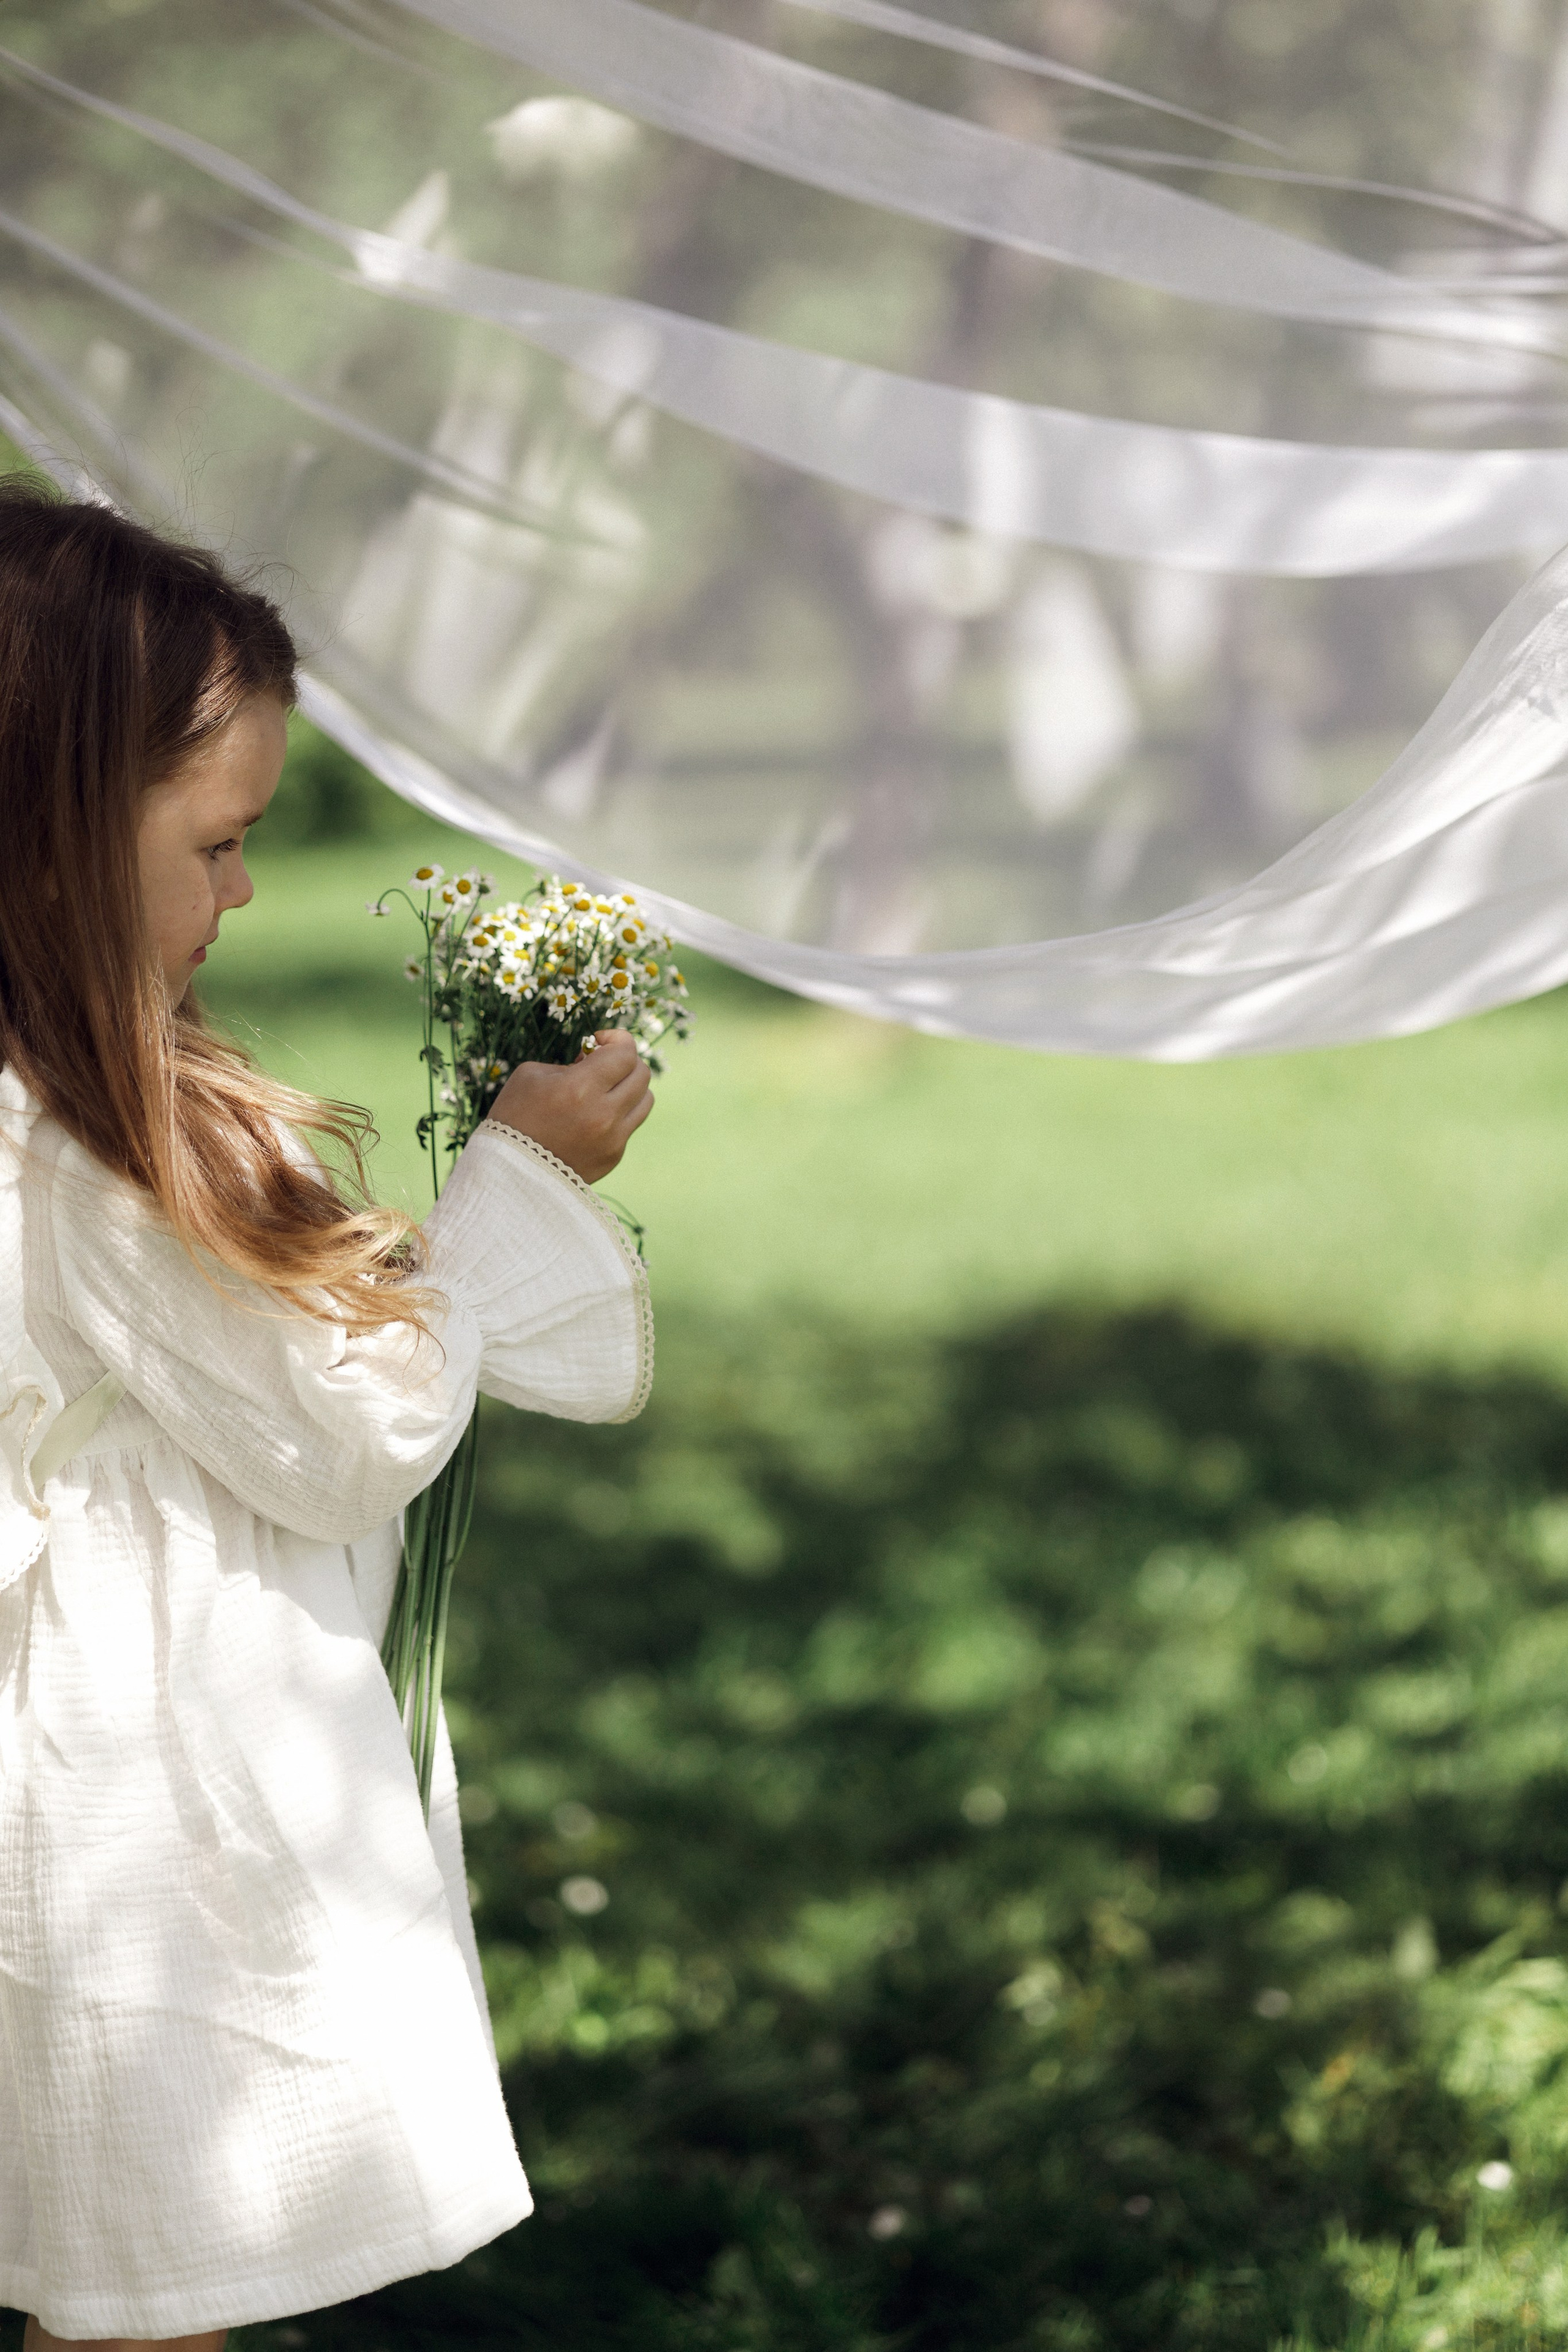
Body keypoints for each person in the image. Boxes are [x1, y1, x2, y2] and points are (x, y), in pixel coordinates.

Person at [0, 482, 655, 2352]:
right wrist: (515, 1183)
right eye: (216, 843)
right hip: (126, 1785)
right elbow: (342, 1427)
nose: (241, 891)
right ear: (46, 831)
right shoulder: (99, 1143)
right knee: (147, 2292)